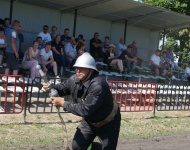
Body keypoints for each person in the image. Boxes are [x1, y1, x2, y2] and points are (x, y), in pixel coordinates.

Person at [42, 52, 121, 150]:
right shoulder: (74, 79)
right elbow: (63, 88)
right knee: (77, 147)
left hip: (108, 121)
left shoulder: (98, 85)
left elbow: (85, 110)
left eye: (82, 68)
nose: (78, 71)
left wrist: (63, 103)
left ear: (91, 70)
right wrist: (51, 87)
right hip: (90, 121)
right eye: (77, 68)